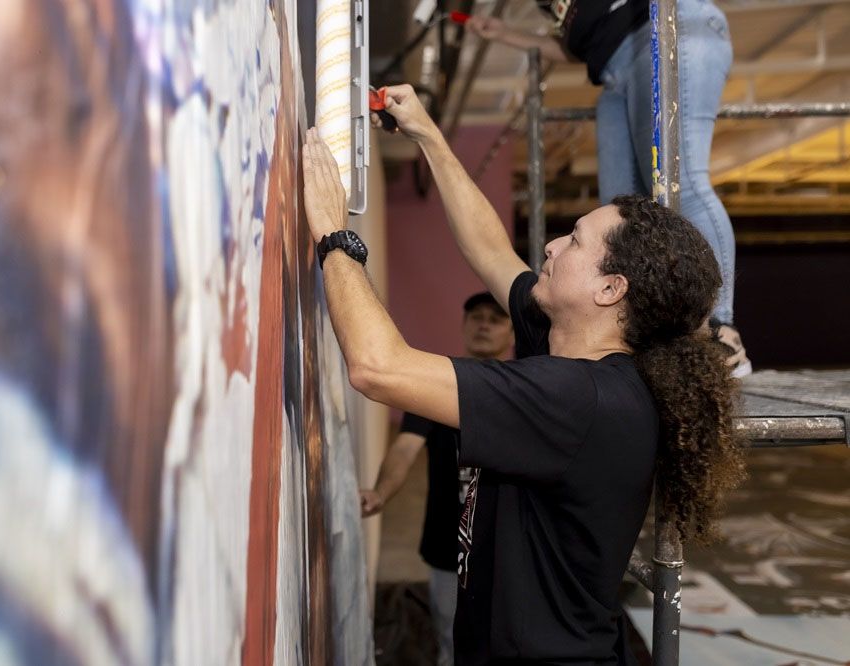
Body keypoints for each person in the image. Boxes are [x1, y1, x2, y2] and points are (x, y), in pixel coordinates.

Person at [301, 83, 745, 664]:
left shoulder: (579, 399)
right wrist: (428, 133)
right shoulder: (572, 347)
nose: (554, 244)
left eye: (575, 239)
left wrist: (335, 238)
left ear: (609, 290)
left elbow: (378, 368)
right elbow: (489, 249)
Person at [466, 0, 752, 377]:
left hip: (669, 28)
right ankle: (648, 341)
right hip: (612, 67)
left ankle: (721, 330)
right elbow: (584, 42)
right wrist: (505, 34)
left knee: (684, 185)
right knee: (618, 217)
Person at [360, 292, 514, 666]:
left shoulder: (523, 387)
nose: (484, 324)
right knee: (452, 641)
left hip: (507, 548)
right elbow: (405, 448)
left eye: (495, 319)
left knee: (506, 642)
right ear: (463, 325)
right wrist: (381, 492)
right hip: (449, 547)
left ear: (511, 333)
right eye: (476, 316)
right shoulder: (438, 385)